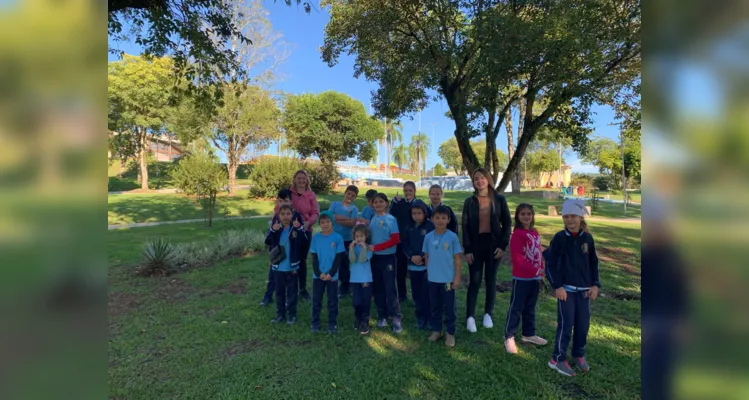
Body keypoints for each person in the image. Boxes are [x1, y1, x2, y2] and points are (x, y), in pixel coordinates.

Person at [545, 199, 600, 376]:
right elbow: (550, 264)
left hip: (584, 292)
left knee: (583, 325)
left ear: (580, 217)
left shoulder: (588, 239)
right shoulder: (559, 238)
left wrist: (595, 285)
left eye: (573, 216)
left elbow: (593, 264)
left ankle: (578, 354)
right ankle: (557, 359)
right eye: (566, 216)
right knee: (566, 325)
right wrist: (557, 286)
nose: (569, 220)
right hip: (566, 292)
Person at [461, 168, 511, 333]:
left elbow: (507, 224)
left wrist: (503, 245)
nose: (480, 181)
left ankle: (488, 314)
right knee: (474, 281)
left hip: (493, 245)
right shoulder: (470, 201)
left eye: (483, 178)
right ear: (474, 182)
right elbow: (465, 226)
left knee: (491, 280)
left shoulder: (499, 199)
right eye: (476, 178)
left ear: (488, 179)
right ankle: (470, 317)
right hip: (475, 245)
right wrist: (467, 249)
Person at [504, 203, 548, 354]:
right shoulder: (517, 234)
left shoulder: (535, 232)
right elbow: (518, 259)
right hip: (521, 279)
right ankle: (509, 336)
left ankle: (528, 334)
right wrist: (536, 269)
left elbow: (538, 252)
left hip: (534, 279)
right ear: (517, 216)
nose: (526, 216)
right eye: (522, 214)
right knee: (516, 308)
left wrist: (540, 272)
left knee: (530, 307)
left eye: (529, 213)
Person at [274, 170, 320, 301]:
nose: (301, 180)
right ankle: (289, 287)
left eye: (303, 178)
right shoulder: (289, 193)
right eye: (299, 178)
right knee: (289, 258)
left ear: (307, 180)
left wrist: (308, 223)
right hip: (289, 231)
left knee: (302, 261)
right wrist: (276, 223)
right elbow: (278, 208)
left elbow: (315, 212)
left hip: (305, 230)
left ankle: (302, 289)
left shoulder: (310, 195)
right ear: (294, 180)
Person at [423, 206, 463, 348]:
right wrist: (429, 272)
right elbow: (426, 256)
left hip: (447, 279)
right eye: (437, 217)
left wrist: (457, 277)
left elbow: (458, 258)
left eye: (443, 218)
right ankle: (436, 330)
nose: (440, 220)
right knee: (435, 306)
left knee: (449, 307)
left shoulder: (452, 237)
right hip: (433, 279)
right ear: (432, 219)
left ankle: (450, 333)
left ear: (448, 220)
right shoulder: (428, 237)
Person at [264, 204, 308, 325]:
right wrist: (273, 230)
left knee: (292, 292)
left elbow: (304, 242)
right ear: (278, 216)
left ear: (292, 215)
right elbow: (267, 241)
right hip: (278, 267)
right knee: (279, 292)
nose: (285, 216)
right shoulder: (276, 229)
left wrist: (299, 228)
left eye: (288, 214)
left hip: (292, 267)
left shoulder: (295, 229)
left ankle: (292, 315)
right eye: (282, 214)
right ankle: (280, 314)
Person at [261, 189, 304, 307]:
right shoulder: (276, 217)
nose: (283, 203)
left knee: (290, 279)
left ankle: (289, 300)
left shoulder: (296, 216)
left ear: (291, 201)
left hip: (290, 255)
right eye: (280, 201)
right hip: (277, 253)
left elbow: (300, 237)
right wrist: (271, 256)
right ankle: (268, 296)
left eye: (285, 200)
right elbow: (271, 239)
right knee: (273, 275)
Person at [368, 193, 403, 334]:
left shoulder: (391, 219)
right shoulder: (373, 218)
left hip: (387, 258)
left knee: (389, 288)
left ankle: (395, 316)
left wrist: (377, 248)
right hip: (374, 259)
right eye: (375, 202)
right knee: (378, 288)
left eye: (380, 202)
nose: (378, 204)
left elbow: (395, 239)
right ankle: (382, 315)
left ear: (386, 203)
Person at [390, 181, 427, 304]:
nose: (408, 193)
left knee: (418, 269)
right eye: (405, 190)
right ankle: (402, 294)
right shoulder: (400, 203)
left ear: (415, 191)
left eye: (410, 190)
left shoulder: (419, 204)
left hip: (416, 241)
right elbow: (392, 213)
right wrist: (394, 201)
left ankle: (420, 294)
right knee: (400, 269)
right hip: (402, 241)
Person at [309, 212, 345, 334]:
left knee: (332, 300)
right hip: (318, 276)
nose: (325, 224)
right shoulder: (316, 238)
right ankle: (315, 323)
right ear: (320, 224)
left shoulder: (338, 238)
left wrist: (331, 273)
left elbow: (338, 258)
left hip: (332, 276)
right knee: (316, 300)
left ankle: (332, 323)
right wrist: (318, 273)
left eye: (328, 221)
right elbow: (314, 258)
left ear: (332, 222)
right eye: (322, 222)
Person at [401, 201, 435, 330]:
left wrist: (421, 255)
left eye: (419, 213)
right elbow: (404, 243)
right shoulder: (408, 226)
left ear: (425, 213)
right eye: (414, 213)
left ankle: (430, 318)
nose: (416, 216)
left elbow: (432, 243)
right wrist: (411, 256)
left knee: (427, 293)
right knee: (416, 293)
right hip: (413, 266)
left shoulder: (430, 226)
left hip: (426, 266)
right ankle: (420, 317)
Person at [328, 185, 359, 298]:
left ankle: (345, 285)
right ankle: (333, 281)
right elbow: (330, 217)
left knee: (344, 263)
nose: (350, 196)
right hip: (333, 238)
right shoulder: (335, 204)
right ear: (345, 193)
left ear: (355, 198)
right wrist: (346, 218)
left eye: (353, 195)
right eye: (348, 193)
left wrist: (337, 218)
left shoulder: (354, 209)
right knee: (333, 262)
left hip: (346, 239)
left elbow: (352, 224)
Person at [349, 224, 374, 335]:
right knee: (356, 301)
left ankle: (365, 320)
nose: (359, 239)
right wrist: (351, 249)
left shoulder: (369, 248)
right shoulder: (353, 247)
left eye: (361, 236)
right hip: (354, 279)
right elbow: (353, 260)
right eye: (357, 236)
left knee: (366, 300)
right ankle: (357, 317)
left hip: (366, 278)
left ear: (366, 236)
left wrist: (364, 248)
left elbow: (363, 259)